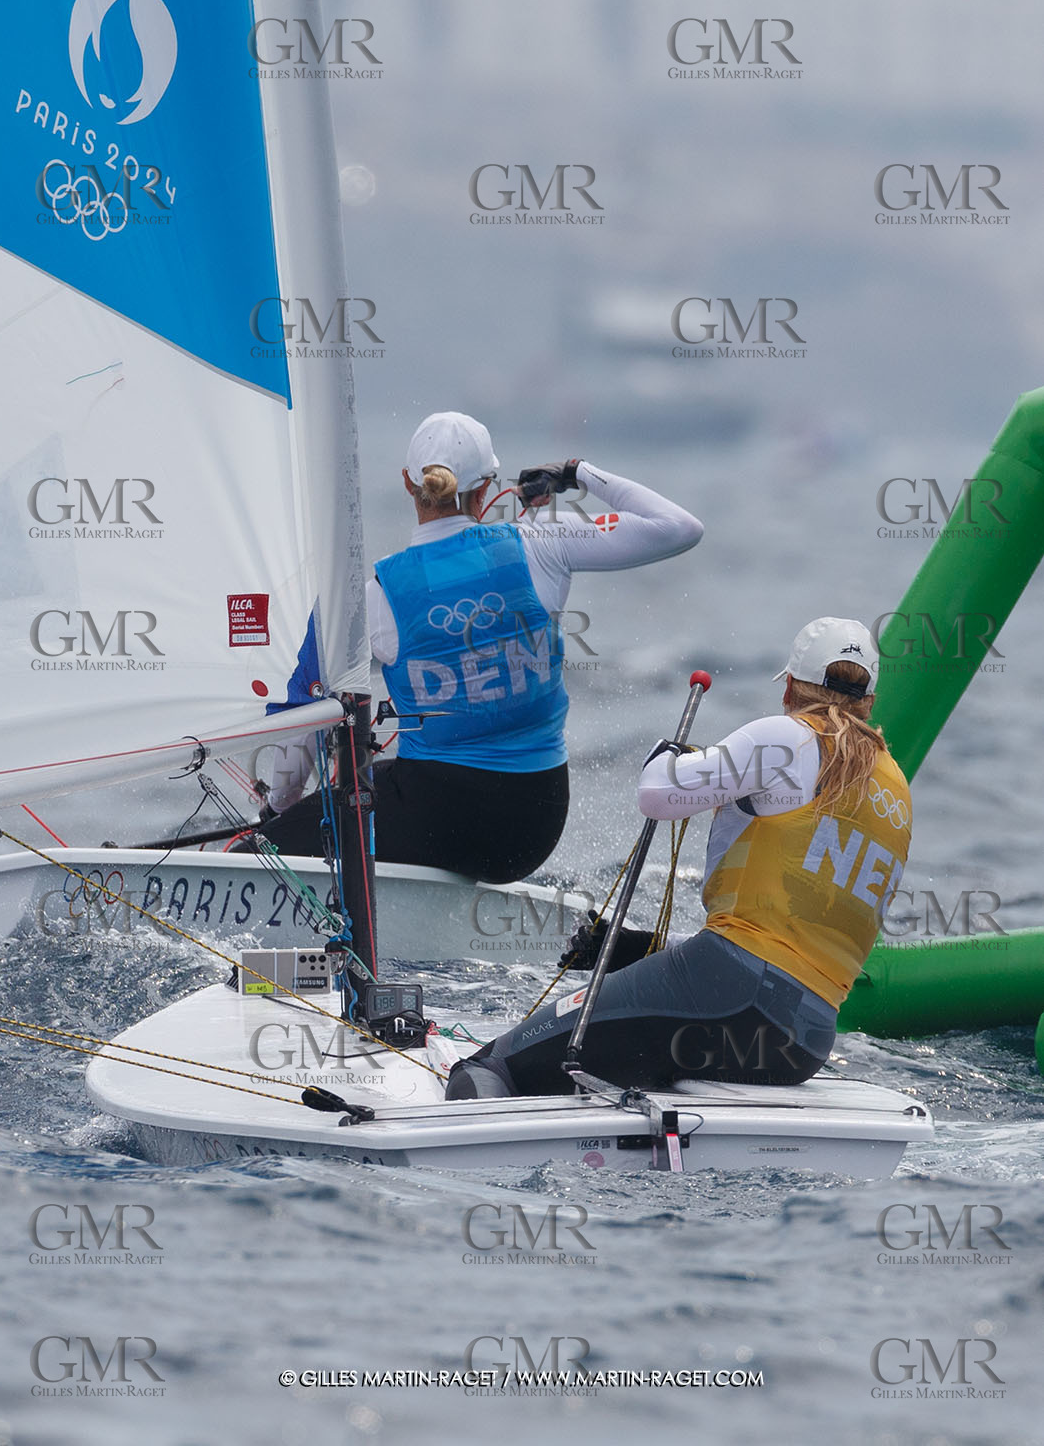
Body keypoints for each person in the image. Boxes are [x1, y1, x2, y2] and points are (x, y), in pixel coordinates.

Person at [445, 617, 911, 1097]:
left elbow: (658, 793)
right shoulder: (896, 791)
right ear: (869, 701)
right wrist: (647, 948)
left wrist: (664, 756)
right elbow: (783, 943)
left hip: (729, 994)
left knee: (494, 1066)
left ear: (790, 686)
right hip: (802, 1042)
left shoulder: (787, 737)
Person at [257, 411, 703, 881]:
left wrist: (279, 809)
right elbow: (678, 527)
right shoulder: (544, 545)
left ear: (409, 484)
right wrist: (576, 472)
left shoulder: (375, 598)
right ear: (488, 486)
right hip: (533, 829)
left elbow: (308, 706)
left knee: (264, 848)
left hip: (437, 821)